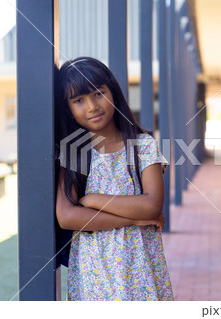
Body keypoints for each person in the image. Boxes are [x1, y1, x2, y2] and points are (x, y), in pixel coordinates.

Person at [55, 57, 174, 301]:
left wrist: (92, 199)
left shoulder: (143, 146)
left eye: (98, 93)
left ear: (113, 93)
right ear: (68, 108)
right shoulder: (74, 151)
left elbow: (151, 205)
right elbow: (68, 216)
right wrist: (133, 218)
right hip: (94, 271)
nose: (91, 106)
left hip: (140, 265)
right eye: (78, 100)